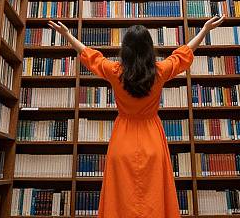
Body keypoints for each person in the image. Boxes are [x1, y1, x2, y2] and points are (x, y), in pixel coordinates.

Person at [48, 15, 226, 218]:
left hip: (122, 139)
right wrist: (204, 31)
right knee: (153, 196)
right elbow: (184, 54)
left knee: (121, 197)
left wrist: (68, 35)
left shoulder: (115, 72)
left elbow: (90, 56)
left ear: (126, 49)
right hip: (152, 139)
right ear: (149, 48)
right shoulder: (160, 72)